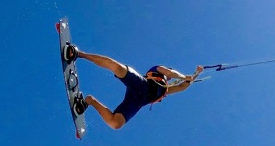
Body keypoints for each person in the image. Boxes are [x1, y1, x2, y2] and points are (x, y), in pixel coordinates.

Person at [65, 44, 203, 131]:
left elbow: (182, 87)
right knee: (117, 67)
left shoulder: (166, 89)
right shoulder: (158, 70)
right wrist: (185, 77)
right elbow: (171, 73)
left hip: (137, 102)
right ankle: (79, 54)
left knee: (116, 124)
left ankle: (89, 101)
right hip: (139, 84)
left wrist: (195, 74)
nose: (171, 78)